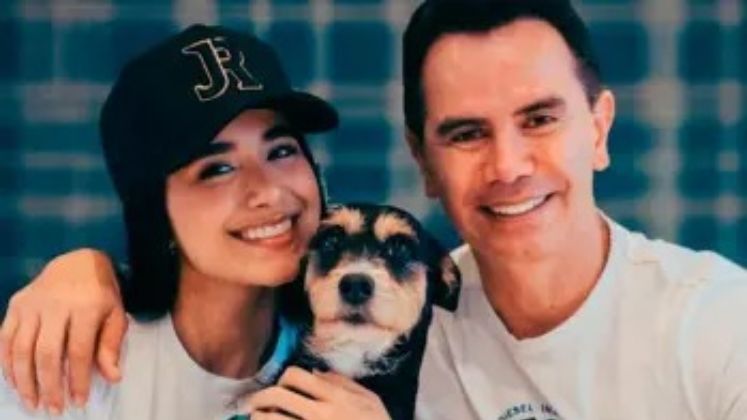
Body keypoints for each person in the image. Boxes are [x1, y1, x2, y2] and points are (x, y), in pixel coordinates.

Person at [4, 0, 747, 419]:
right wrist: (84, 270)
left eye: (540, 119)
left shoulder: (717, 325)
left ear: (600, 129)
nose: (509, 165)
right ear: (422, 161)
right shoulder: (388, 323)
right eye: (466, 133)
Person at [0, 23, 389, 420]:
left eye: (281, 151)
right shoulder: (75, 364)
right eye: (217, 169)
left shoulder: (370, 346)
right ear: (155, 211)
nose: (269, 192)